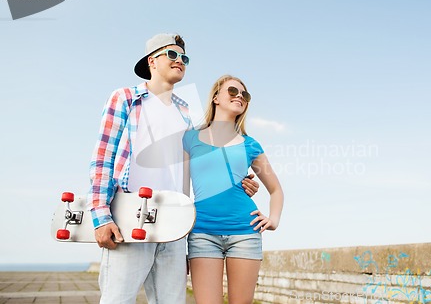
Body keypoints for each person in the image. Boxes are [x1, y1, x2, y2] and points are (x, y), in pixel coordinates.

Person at [87, 34, 259, 304]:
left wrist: (240, 181)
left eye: (184, 58)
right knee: (117, 299)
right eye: (172, 55)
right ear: (152, 61)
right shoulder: (125, 98)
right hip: (131, 218)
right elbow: (103, 157)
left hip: (175, 224)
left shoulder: (184, 112)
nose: (180, 61)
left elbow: (201, 166)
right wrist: (101, 216)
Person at [182, 75, 284, 304]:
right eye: (232, 91)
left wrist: (274, 219)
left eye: (244, 95)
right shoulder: (190, 139)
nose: (239, 97)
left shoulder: (250, 144)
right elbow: (181, 193)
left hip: (245, 232)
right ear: (216, 97)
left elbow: (276, 189)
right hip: (202, 233)